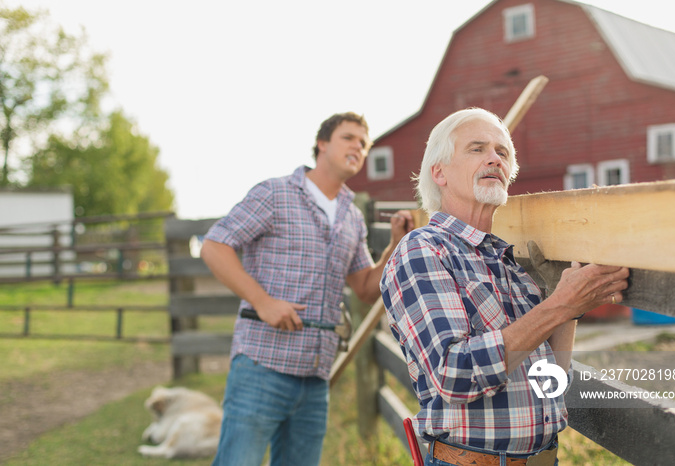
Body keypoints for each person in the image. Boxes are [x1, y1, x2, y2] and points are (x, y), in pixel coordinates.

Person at [380, 108, 629, 466]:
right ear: (439, 172)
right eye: (477, 148)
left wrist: (572, 305)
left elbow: (552, 380)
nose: (495, 158)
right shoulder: (422, 249)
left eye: (503, 152)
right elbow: (454, 373)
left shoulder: (508, 263)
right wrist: (559, 305)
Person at [200, 111, 414, 466]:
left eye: (363, 143)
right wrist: (262, 301)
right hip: (261, 365)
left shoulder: (351, 216)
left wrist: (394, 247)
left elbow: (363, 287)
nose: (357, 147)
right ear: (322, 143)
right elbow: (214, 246)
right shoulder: (276, 193)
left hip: (316, 376)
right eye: (349, 138)